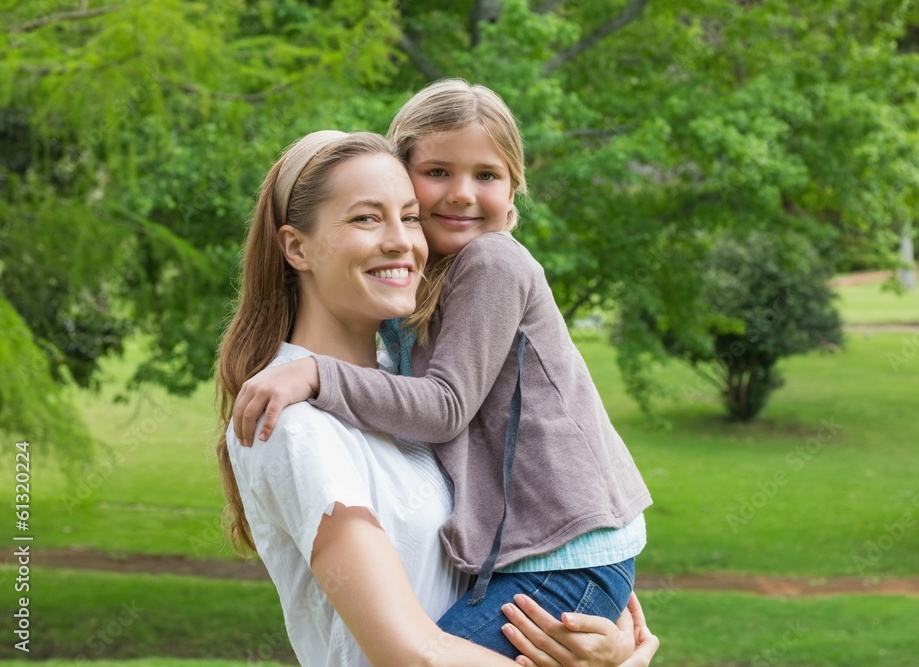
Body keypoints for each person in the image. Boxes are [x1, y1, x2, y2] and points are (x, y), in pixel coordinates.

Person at [232, 79, 653, 658]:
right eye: (435, 174)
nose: (460, 194)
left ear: (513, 193)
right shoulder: (303, 421)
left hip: (563, 555)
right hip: (544, 557)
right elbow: (417, 656)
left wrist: (317, 374)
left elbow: (444, 406)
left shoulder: (491, 263)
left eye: (486, 176)